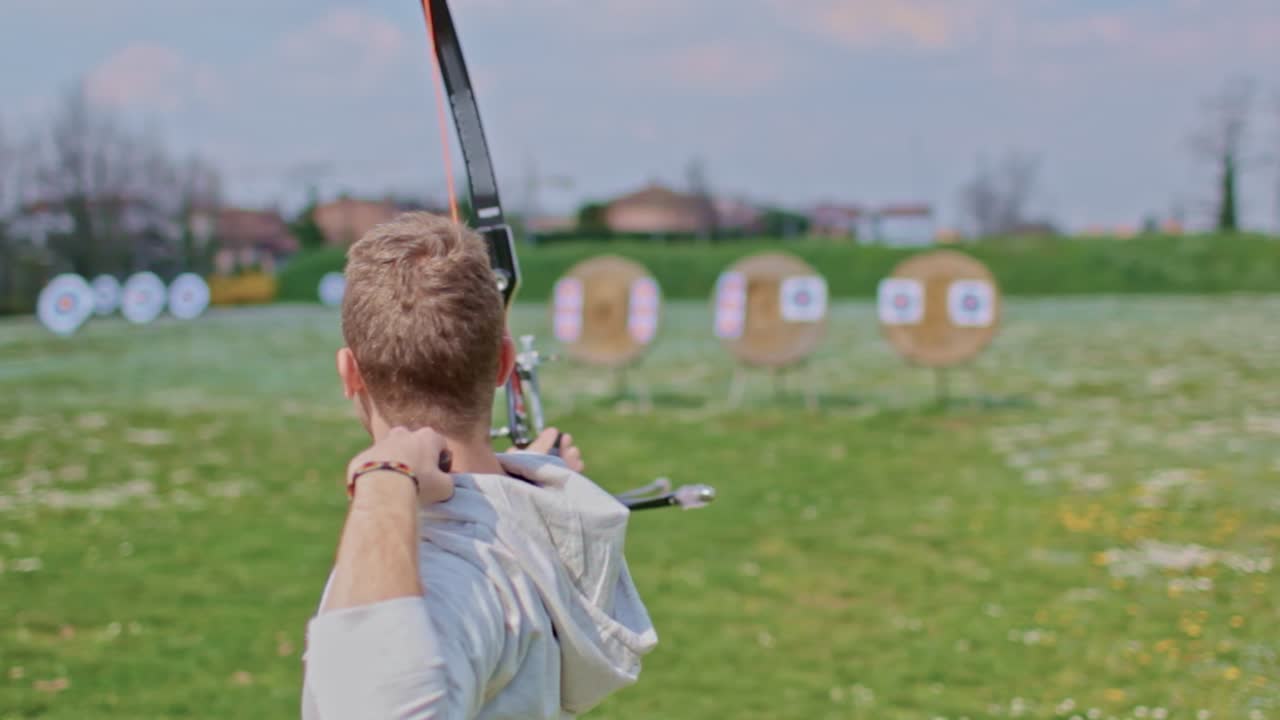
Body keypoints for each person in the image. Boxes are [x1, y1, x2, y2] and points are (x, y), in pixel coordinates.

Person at [301, 212, 656, 719]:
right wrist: (531, 478)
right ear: (503, 363)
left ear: (349, 373)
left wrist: (382, 481)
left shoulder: (438, 571)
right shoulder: (544, 518)